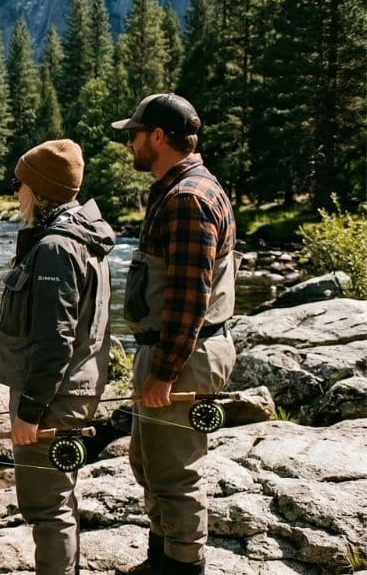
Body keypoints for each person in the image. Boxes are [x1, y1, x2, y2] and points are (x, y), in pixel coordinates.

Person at [111, 94, 238, 575]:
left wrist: (163, 373)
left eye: (135, 134)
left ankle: (184, 567)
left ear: (159, 137)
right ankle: (160, 559)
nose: (130, 143)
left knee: (176, 475)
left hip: (184, 355)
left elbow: (189, 299)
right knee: (150, 464)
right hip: (175, 350)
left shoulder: (188, 199)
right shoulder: (180, 188)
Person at [0, 139, 115, 575]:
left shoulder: (56, 248)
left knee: (47, 509)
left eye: (20, 184)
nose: (16, 192)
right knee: (59, 500)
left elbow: (55, 340)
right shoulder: (80, 237)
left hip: (53, 399)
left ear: (40, 190)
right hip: (71, 391)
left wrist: (30, 411)